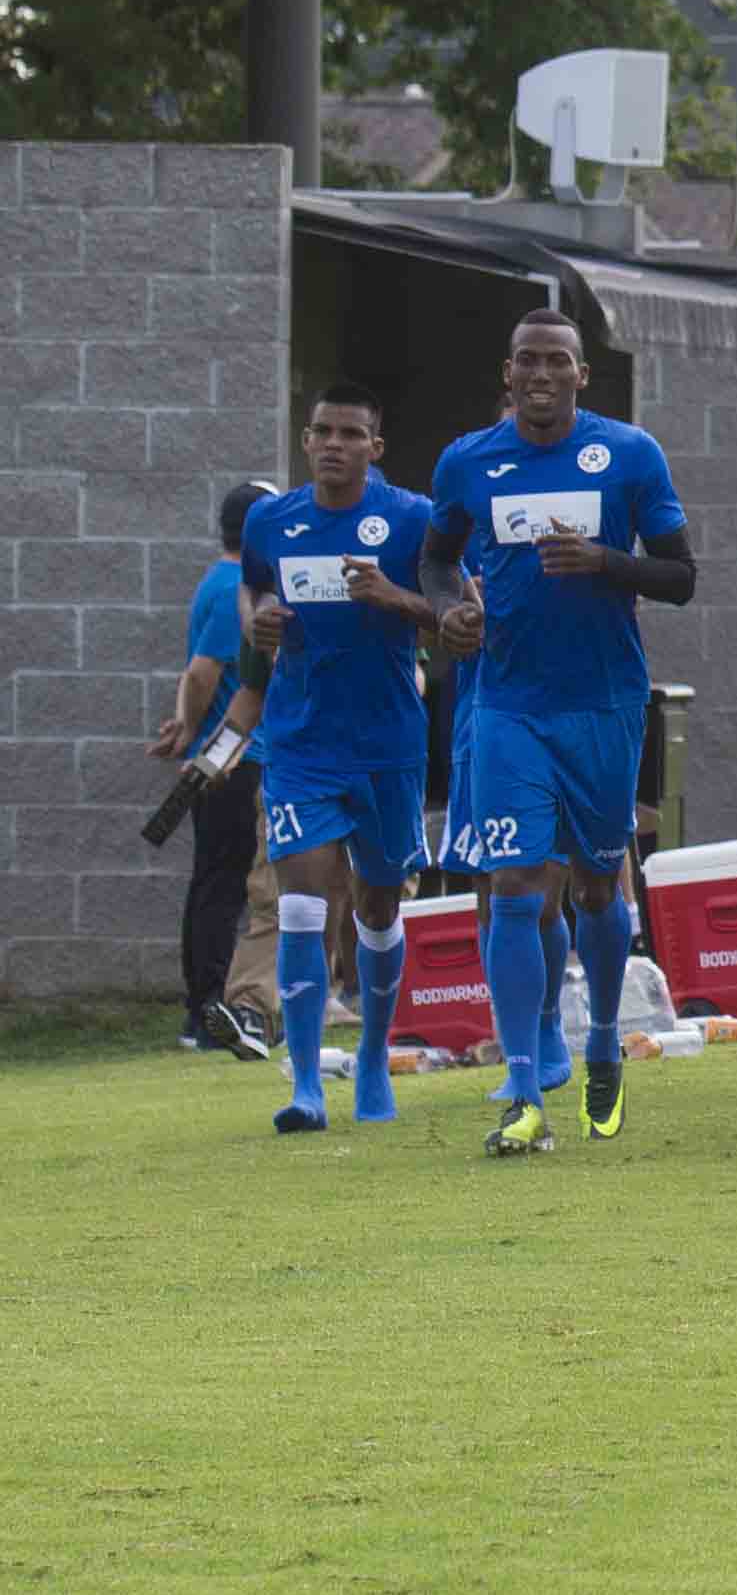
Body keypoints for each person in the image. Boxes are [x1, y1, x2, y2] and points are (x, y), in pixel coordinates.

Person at [424, 310, 696, 1154]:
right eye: (528, 361)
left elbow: (681, 575)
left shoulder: (629, 454)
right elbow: (436, 559)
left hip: (605, 703)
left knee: (592, 886)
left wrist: (605, 562)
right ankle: (520, 1081)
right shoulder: (468, 460)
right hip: (506, 702)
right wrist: (450, 609)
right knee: (512, 883)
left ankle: (604, 1033)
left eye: (559, 362)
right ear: (508, 373)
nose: (542, 374)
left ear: (584, 375)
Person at [236, 387, 439, 1130]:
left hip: (386, 745)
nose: (333, 444)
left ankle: (377, 1059)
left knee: (378, 908)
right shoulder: (272, 519)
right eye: (322, 431)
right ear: (304, 438)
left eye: (351, 433)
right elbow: (253, 585)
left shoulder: (411, 519)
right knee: (300, 903)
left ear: (374, 448)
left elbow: (453, 611)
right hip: (300, 743)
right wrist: (256, 620)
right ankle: (304, 1086)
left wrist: (394, 597)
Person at [150, 479, 277, 1062]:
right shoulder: (235, 589)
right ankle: (207, 1014)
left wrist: (182, 726)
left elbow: (192, 678)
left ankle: (201, 1010)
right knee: (223, 889)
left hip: (218, 755)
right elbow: (204, 673)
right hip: (235, 760)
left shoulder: (216, 580)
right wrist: (207, 743)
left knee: (211, 884)